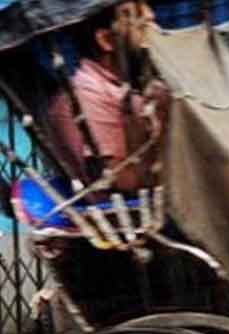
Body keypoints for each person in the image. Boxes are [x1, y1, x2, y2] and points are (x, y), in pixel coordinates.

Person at [46, 1, 167, 194]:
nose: (150, 20)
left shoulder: (129, 87)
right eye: (137, 19)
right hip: (132, 215)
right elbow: (120, 182)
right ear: (106, 40)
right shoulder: (85, 94)